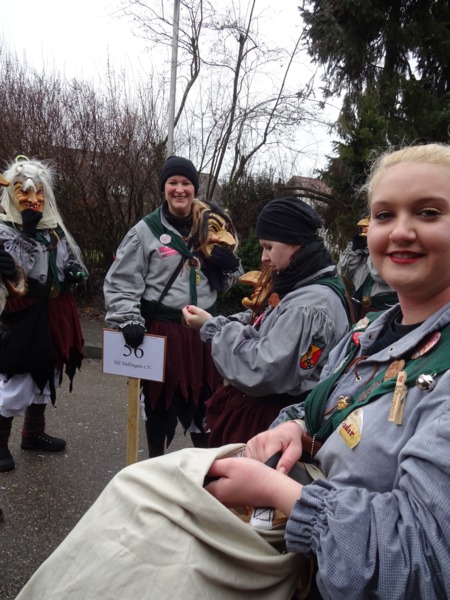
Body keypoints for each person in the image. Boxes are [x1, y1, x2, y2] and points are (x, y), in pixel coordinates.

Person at [15, 142, 450, 600]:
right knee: (146, 453)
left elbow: (423, 564)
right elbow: (320, 397)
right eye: (384, 215)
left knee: (158, 529)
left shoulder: (223, 236)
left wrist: (282, 492)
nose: (401, 230)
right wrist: (297, 426)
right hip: (163, 331)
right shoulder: (371, 330)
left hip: (311, 532)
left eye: (429, 212)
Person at [182, 196, 352, 446]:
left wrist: (214, 329)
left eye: (269, 247)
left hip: (272, 424)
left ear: (296, 244)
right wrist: (217, 321)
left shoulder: (310, 307)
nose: (263, 257)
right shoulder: (303, 284)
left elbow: (263, 368)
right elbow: (267, 321)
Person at [104, 156, 243, 456]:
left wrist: (230, 267)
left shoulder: (212, 226)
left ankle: (209, 472)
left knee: (207, 405)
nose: (179, 189)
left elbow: (228, 283)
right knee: (159, 406)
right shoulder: (145, 231)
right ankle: (156, 468)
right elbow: (122, 280)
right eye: (173, 183)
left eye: (186, 183)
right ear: (163, 188)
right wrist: (128, 318)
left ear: (194, 189)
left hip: (204, 333)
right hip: (162, 332)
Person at [0, 156, 87, 473]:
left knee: (48, 372)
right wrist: (25, 232)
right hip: (23, 313)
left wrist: (74, 271)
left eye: (39, 192)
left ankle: (33, 434)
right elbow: (15, 271)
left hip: (56, 310)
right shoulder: (4, 229)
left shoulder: (53, 228)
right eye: (24, 191)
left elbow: (66, 259)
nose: (33, 199)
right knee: (17, 377)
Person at [338, 214, 398, 319]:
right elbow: (344, 271)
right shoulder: (361, 251)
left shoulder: (393, 249)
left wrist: (375, 248)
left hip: (387, 311)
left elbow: (379, 275)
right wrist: (355, 250)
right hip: (362, 311)